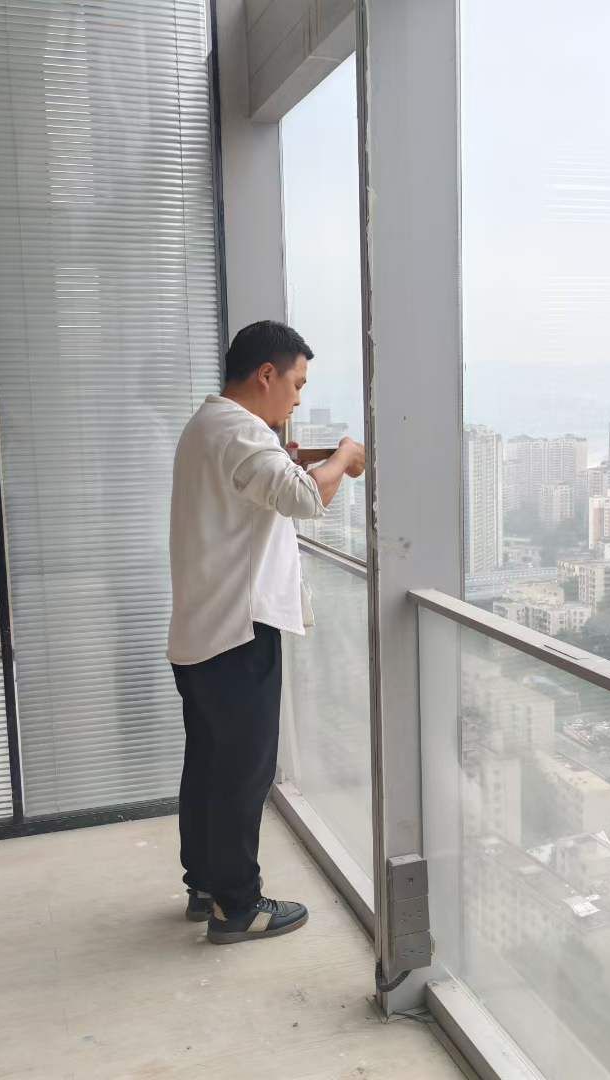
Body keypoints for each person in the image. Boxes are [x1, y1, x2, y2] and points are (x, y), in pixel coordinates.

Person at [167, 320, 365, 944]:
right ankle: (238, 906)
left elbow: (262, 478)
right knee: (243, 772)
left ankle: (206, 884)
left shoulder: (209, 426)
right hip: (238, 631)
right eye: (297, 384)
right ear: (266, 374)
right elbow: (304, 499)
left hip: (201, 628)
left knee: (208, 764)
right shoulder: (242, 431)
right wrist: (343, 458)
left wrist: (300, 460)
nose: (298, 398)